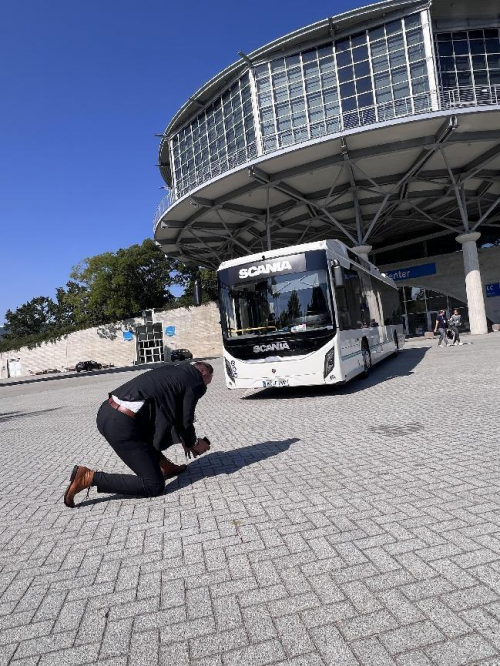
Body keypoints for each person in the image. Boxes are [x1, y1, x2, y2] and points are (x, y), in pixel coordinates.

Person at [63, 361, 214, 507]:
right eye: (208, 381)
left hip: (107, 412)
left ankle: (165, 467)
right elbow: (186, 419)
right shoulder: (195, 381)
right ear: (203, 373)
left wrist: (186, 438)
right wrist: (193, 443)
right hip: (122, 424)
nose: (207, 386)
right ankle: (89, 477)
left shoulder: (174, 370)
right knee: (154, 486)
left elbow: (174, 414)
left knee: (149, 432)